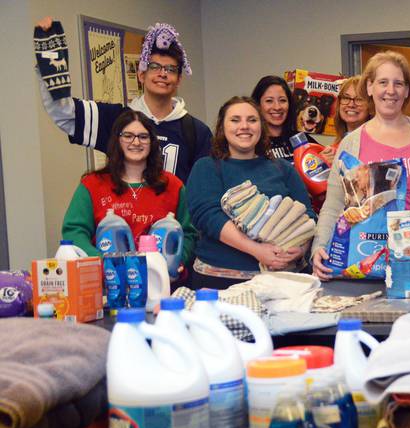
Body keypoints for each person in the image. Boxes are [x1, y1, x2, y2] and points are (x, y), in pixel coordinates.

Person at [310, 51, 410, 305]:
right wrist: (320, 245)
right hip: (365, 270)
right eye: (383, 82)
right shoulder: (352, 144)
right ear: (370, 87)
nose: (390, 90)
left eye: (399, 83)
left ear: (407, 91)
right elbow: (334, 205)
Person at [34, 18, 212, 184]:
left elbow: (205, 192)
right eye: (154, 67)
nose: (163, 74)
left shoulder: (197, 133)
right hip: (122, 217)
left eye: (171, 69)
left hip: (176, 217)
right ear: (141, 74)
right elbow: (63, 112)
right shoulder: (116, 119)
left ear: (179, 79)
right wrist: (48, 63)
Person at [186, 97, 315, 289]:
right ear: (222, 127)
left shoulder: (283, 169)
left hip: (284, 283)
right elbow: (208, 217)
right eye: (235, 120)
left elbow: (308, 217)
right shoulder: (206, 167)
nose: (244, 126)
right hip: (220, 283)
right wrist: (257, 250)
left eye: (252, 120)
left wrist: (299, 249)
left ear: (261, 126)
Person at [62, 110, 196, 272]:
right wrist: (103, 263)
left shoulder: (173, 185)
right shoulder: (92, 184)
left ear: (152, 142)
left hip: (160, 280)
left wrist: (178, 261)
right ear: (117, 140)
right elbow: (74, 232)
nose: (136, 142)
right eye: (128, 136)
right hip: (109, 283)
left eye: (143, 137)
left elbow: (189, 234)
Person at [250, 75, 318, 162]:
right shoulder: (251, 144)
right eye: (269, 101)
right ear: (257, 105)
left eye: (282, 100)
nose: (277, 107)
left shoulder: (301, 139)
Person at [321, 75, 370, 162]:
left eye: (359, 99)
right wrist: (323, 165)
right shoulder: (332, 151)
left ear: (370, 106)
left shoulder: (378, 144)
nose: (351, 104)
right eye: (346, 98)